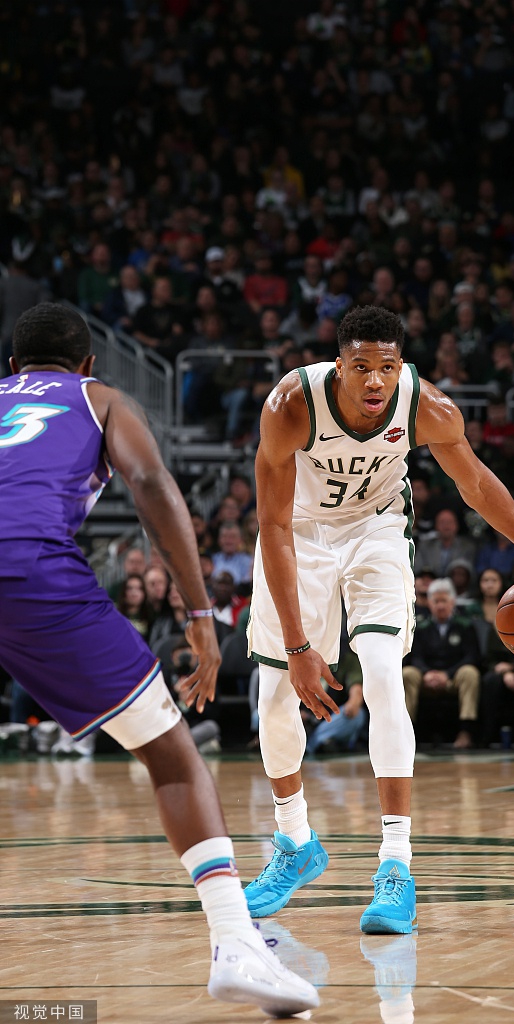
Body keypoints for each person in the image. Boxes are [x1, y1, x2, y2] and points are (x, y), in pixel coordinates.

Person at [0, 303, 318, 1016]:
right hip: (29, 569)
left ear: (12, 368)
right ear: (87, 363)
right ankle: (235, 944)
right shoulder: (101, 397)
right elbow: (149, 483)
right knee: (172, 758)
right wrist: (200, 616)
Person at [245, 305, 514, 934]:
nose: (376, 380)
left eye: (388, 367)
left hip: (376, 531)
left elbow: (476, 485)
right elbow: (274, 525)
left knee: (381, 674)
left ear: (401, 367)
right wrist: (296, 647)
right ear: (339, 366)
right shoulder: (290, 406)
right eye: (362, 367)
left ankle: (396, 864)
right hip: (300, 535)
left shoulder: (429, 408)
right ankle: (295, 842)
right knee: (275, 696)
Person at [402, 578, 481, 749]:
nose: (440, 606)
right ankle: (407, 734)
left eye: (444, 601)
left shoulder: (465, 626)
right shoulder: (420, 627)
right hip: (426, 678)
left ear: (452, 602)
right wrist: (427, 673)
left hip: (453, 678)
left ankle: (466, 732)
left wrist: (447, 674)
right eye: (436, 601)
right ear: (429, 603)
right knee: (407, 673)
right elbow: (415, 657)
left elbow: (471, 657)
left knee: (470, 672)